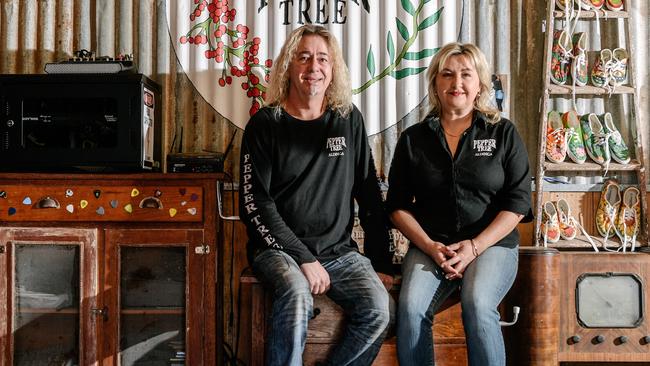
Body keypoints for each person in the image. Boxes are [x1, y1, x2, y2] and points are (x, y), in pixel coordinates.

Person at [239, 25, 394, 366]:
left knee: (379, 310)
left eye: (322, 59)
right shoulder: (265, 124)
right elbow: (254, 205)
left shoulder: (348, 120)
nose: (314, 68)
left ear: (333, 67)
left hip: (338, 252)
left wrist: (381, 261)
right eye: (304, 58)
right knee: (296, 294)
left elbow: (368, 193)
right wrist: (304, 258)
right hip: (279, 252)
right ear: (288, 67)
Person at [386, 42, 532, 366]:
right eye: (447, 75)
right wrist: (427, 244)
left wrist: (475, 247)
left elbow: (519, 203)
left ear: (479, 82)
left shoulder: (502, 133)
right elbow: (396, 205)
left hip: (491, 245)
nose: (457, 84)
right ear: (435, 83)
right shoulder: (413, 139)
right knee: (410, 309)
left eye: (466, 74)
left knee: (478, 303)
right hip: (431, 245)